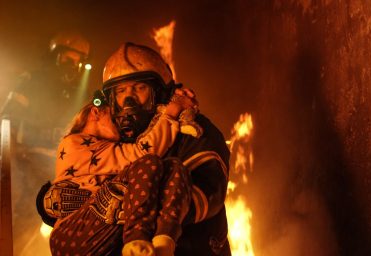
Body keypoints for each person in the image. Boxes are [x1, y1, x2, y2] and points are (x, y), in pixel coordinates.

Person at [101, 42, 231, 255]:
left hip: (191, 248)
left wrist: (134, 208)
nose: (128, 100)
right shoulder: (111, 139)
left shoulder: (194, 130)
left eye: (139, 88)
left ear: (160, 92)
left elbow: (209, 192)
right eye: (121, 91)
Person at [41, 88, 197, 256]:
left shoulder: (103, 150)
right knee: (148, 163)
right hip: (72, 235)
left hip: (100, 234)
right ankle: (137, 243)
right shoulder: (74, 143)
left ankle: (163, 245)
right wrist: (172, 111)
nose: (120, 123)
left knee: (173, 167)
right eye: (114, 118)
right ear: (96, 112)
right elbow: (142, 153)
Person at [0, 30, 91, 254]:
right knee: (17, 215)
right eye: (67, 58)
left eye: (77, 61)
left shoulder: (78, 92)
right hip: (24, 160)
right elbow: (7, 119)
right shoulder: (32, 81)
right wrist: (13, 152)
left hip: (56, 168)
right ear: (55, 56)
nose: (72, 65)